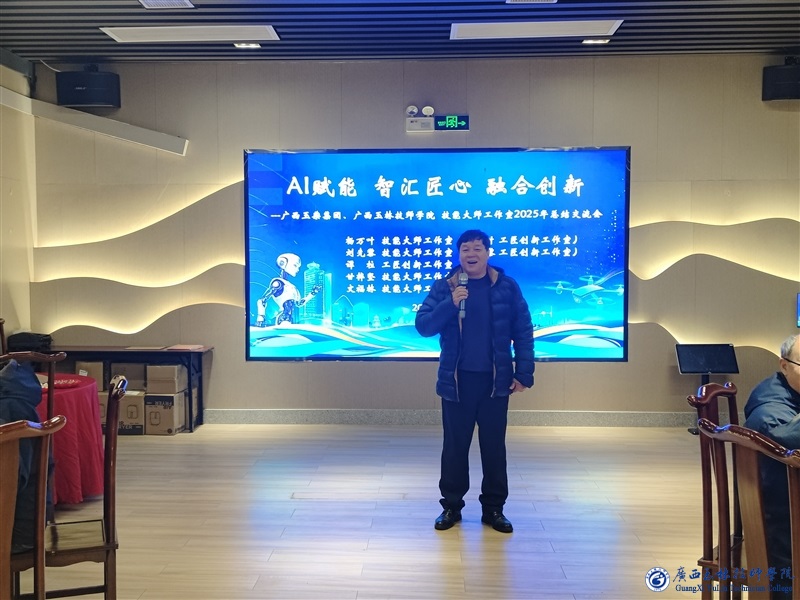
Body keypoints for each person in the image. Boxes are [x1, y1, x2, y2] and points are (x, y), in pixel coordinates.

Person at [415, 229, 534, 533]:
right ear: (459, 255)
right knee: (454, 448)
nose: (471, 254)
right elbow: (423, 326)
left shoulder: (506, 286)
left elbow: (523, 331)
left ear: (487, 253)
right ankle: (451, 507)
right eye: (465, 249)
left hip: (496, 383)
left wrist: (523, 374)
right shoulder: (445, 287)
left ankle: (493, 509)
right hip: (457, 384)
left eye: (477, 248)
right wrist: (450, 303)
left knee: (494, 448)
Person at [743, 333, 800, 597]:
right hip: (783, 527)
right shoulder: (770, 408)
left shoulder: (788, 391)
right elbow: (782, 439)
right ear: (784, 365)